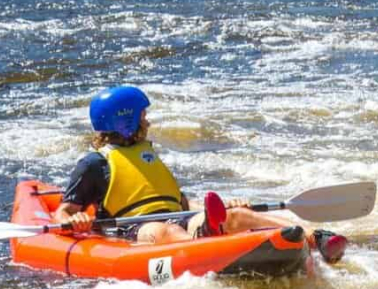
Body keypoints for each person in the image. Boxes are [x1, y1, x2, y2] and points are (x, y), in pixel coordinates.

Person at [52, 85, 348, 263]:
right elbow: (64, 210)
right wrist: (73, 220)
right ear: (126, 121)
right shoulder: (94, 164)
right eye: (142, 116)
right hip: (134, 229)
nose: (148, 121)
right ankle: (210, 256)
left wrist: (217, 211)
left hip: (176, 217)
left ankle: (316, 238)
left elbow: (180, 203)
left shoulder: (147, 155)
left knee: (239, 217)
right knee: (166, 232)